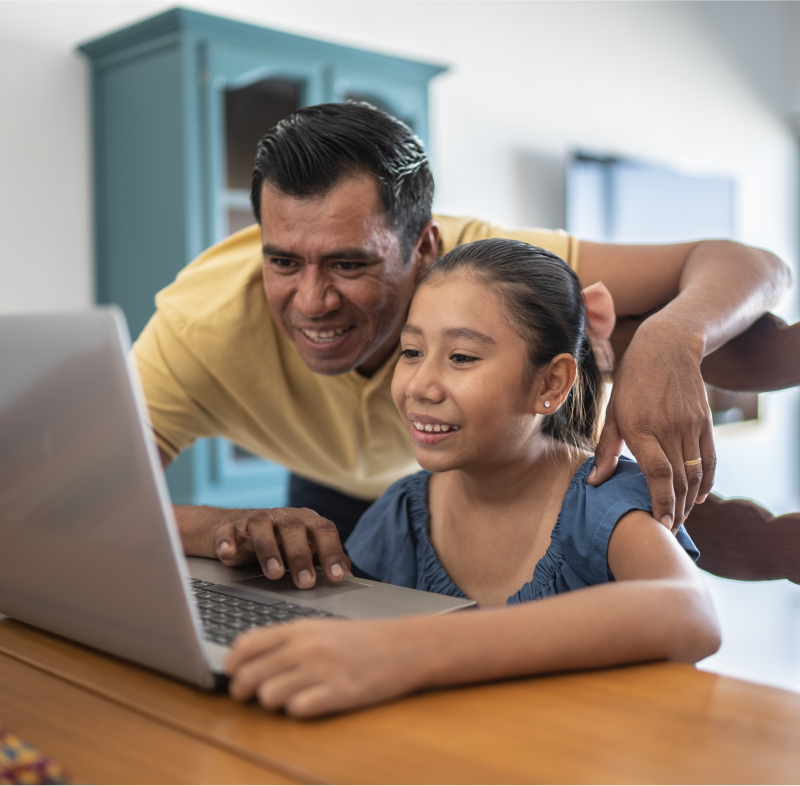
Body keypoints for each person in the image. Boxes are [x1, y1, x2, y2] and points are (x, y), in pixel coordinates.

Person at [134, 102, 790, 589]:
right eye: (282, 261)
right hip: (345, 494)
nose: (312, 301)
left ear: (426, 249)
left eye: (349, 265)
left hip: (511, 484)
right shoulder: (199, 329)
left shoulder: (483, 269)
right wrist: (224, 525)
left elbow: (756, 266)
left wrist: (668, 340)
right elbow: (80, 504)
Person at [223, 238, 721, 718]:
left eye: (461, 357)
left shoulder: (601, 505)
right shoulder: (404, 512)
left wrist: (410, 650)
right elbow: (347, 629)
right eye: (411, 351)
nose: (419, 385)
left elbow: (692, 613)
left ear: (550, 383)